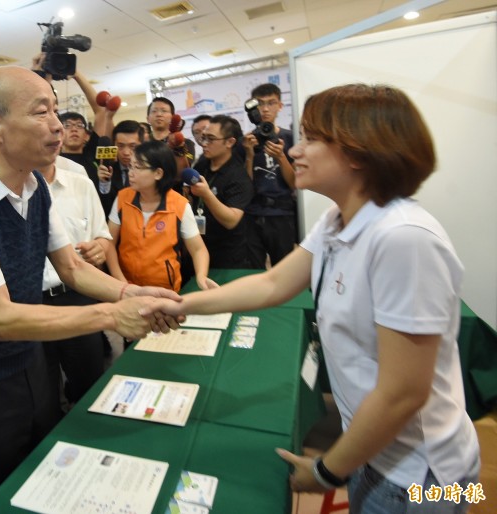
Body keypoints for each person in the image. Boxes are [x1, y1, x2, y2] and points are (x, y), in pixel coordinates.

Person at [145, 84, 480, 513]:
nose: (295, 151)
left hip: (423, 477)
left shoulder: (404, 239)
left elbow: (403, 393)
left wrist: (326, 471)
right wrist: (182, 305)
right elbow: (272, 284)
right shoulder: (338, 220)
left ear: (359, 151)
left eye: (311, 140)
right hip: (372, 452)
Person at [0, 65, 181, 513]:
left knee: (44, 481)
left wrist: (127, 293)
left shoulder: (34, 182)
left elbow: (72, 267)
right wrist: (112, 316)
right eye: (42, 113)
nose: (59, 126)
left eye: (57, 111)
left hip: (29, 364)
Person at [37, 159, 120, 413]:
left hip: (78, 295)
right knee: (42, 395)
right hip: (32, 303)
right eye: (41, 116)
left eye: (54, 118)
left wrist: (99, 248)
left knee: (90, 383)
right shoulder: (14, 188)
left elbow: (103, 237)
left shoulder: (81, 183)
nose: (54, 130)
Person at [108, 140, 216, 292]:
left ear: (158, 173)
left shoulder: (179, 205)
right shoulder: (122, 198)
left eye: (137, 167)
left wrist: (201, 276)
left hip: (165, 291)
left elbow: (198, 249)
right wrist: (121, 282)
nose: (130, 172)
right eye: (130, 166)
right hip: (127, 287)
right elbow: (109, 243)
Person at [190, 115, 262, 270]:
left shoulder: (238, 176)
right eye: (203, 138)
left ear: (229, 142)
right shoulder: (201, 167)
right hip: (201, 246)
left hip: (230, 253)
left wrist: (207, 194)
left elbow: (231, 220)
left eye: (211, 139)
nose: (204, 144)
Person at [242, 83, 297, 266]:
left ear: (280, 105)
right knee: (253, 271)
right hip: (253, 213)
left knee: (284, 270)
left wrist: (281, 157)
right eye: (260, 103)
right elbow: (245, 186)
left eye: (271, 103)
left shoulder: (290, 138)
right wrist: (249, 155)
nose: (265, 109)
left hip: (282, 213)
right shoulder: (247, 141)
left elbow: (295, 184)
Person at [96, 120, 144, 217]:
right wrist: (104, 183)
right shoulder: (107, 169)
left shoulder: (150, 171)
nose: (126, 152)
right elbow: (103, 209)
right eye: (121, 146)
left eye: (133, 146)